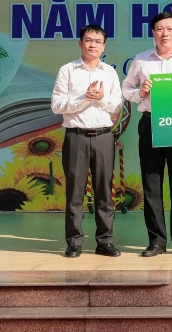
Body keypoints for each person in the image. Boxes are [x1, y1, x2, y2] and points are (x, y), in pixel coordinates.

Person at [121, 11, 172, 257]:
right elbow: (126, 88)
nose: (164, 33)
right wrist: (140, 93)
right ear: (153, 32)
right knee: (152, 183)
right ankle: (156, 241)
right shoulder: (142, 59)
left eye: (169, 29)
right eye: (159, 29)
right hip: (150, 124)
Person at [51, 24, 123, 259]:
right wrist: (84, 98)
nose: (93, 44)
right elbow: (56, 105)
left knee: (104, 192)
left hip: (103, 137)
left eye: (97, 41)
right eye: (88, 40)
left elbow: (117, 105)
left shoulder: (109, 73)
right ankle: (74, 242)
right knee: (75, 193)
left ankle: (105, 241)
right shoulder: (67, 70)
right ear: (80, 43)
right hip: (76, 137)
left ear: (104, 46)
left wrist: (100, 98)